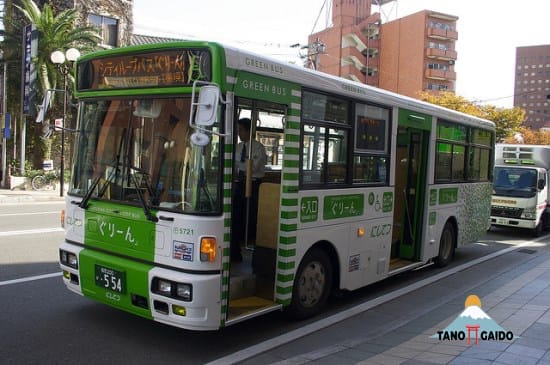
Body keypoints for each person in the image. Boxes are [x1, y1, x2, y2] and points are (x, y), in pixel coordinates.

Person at [231, 118, 267, 262]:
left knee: (250, 217)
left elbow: (252, 168)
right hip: (239, 184)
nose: (238, 133)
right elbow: (233, 165)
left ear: (247, 130)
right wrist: (242, 165)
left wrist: (241, 165)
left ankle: (250, 243)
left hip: (254, 185)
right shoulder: (238, 147)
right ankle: (236, 249)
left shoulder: (258, 148)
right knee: (236, 217)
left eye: (240, 130)